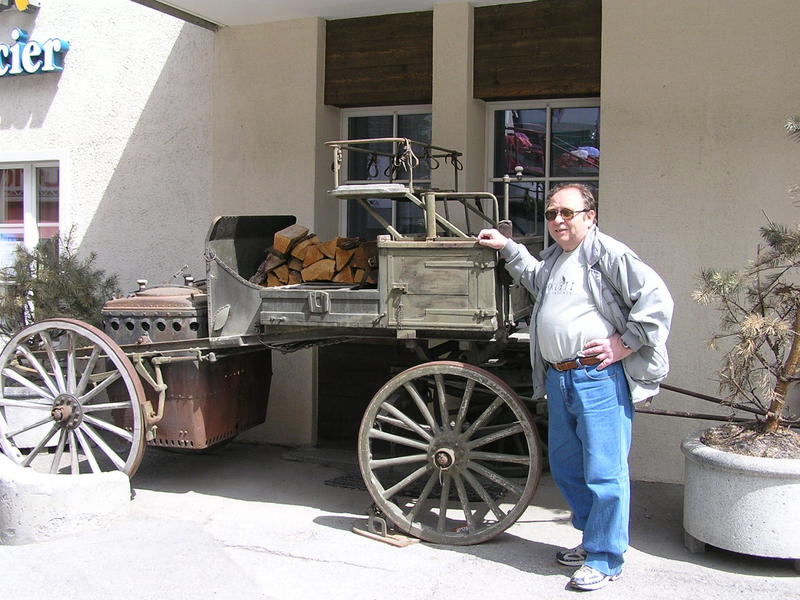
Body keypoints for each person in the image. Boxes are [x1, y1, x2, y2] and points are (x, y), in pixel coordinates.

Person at [477, 183, 673, 591]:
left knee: (605, 471)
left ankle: (606, 558)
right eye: (551, 214)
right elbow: (533, 277)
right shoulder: (555, 258)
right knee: (568, 469)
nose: (558, 220)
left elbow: (657, 299)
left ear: (590, 215)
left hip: (597, 376)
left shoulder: (609, 254)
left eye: (567, 212)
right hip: (559, 376)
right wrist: (507, 246)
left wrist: (624, 344)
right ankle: (591, 540)